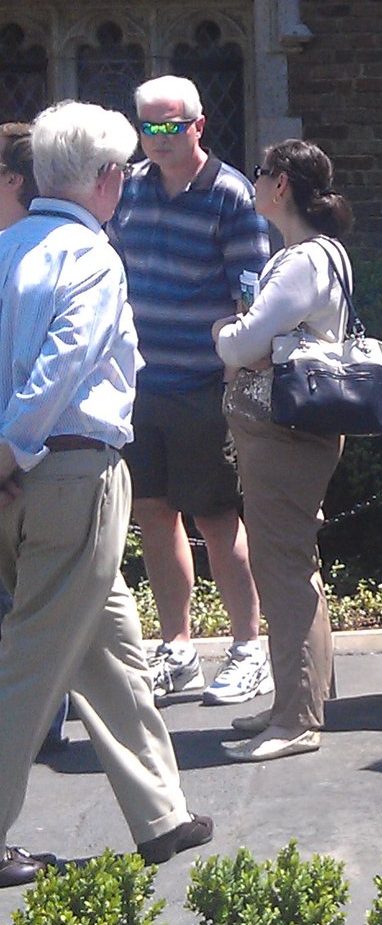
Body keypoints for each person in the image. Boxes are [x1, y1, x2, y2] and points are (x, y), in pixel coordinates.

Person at [0, 102, 213, 884]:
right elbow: (64, 363)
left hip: (24, 481)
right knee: (30, 665)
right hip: (70, 470)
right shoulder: (91, 256)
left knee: (112, 647)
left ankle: (160, 814)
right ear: (105, 178)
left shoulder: (6, 246)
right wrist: (11, 445)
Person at [109, 76, 274, 709]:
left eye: (169, 126)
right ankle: (177, 649)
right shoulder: (130, 188)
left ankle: (247, 648)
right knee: (153, 512)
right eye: (147, 126)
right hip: (140, 384)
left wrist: (236, 377)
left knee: (216, 517)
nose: (156, 139)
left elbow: (250, 294)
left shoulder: (231, 194)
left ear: (198, 125)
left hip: (205, 385)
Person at [212, 142, 356, 761]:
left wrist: (226, 332)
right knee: (292, 565)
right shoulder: (313, 255)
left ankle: (297, 719)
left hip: (285, 437)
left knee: (284, 570)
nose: (255, 180)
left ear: (283, 186)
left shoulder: (301, 262)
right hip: (288, 435)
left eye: (263, 172)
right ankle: (296, 702)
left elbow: (243, 344)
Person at [0, 125, 70, 760]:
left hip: (36, 463)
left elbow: (57, 367)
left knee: (25, 617)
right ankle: (162, 813)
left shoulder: (58, 252)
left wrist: (9, 452)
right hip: (18, 460)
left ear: (14, 179)